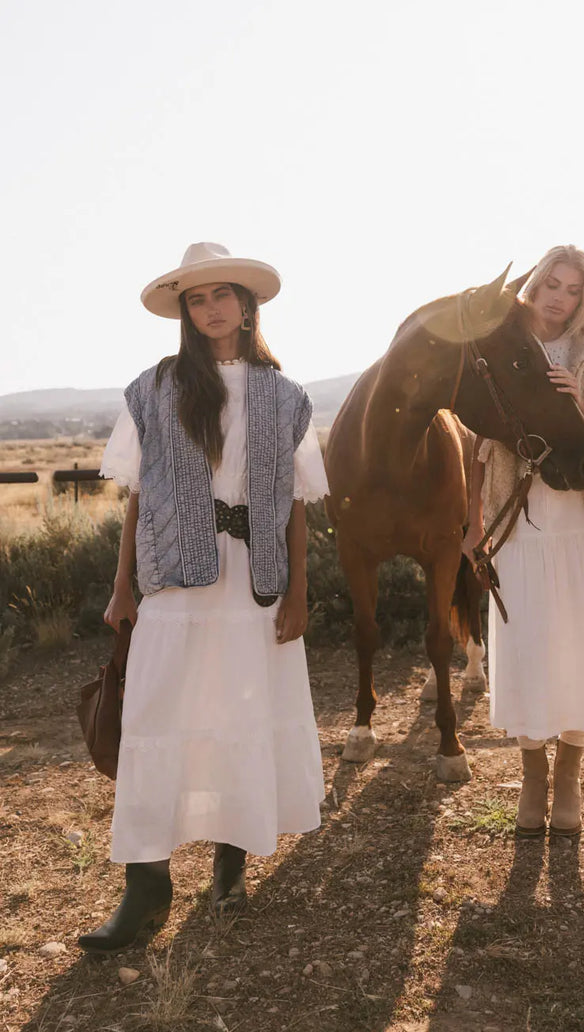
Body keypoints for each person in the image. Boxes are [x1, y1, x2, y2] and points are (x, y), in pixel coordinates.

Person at [79, 242, 328, 952]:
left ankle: (231, 862)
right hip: (174, 585)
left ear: (247, 305)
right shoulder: (154, 388)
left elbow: (300, 503)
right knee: (156, 719)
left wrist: (299, 596)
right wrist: (122, 586)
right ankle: (145, 887)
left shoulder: (285, 396)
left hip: (255, 582)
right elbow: (136, 498)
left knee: (240, 714)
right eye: (197, 298)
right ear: (185, 312)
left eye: (222, 294)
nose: (210, 307)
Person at [463, 245, 584, 839]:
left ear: (582, 296)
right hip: (520, 522)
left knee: (576, 650)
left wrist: (576, 404)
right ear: (534, 285)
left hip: (582, 524)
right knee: (528, 647)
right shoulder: (499, 343)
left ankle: (568, 774)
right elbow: (477, 445)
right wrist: (472, 525)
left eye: (571, 288)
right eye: (550, 282)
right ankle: (532, 775)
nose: (557, 296)